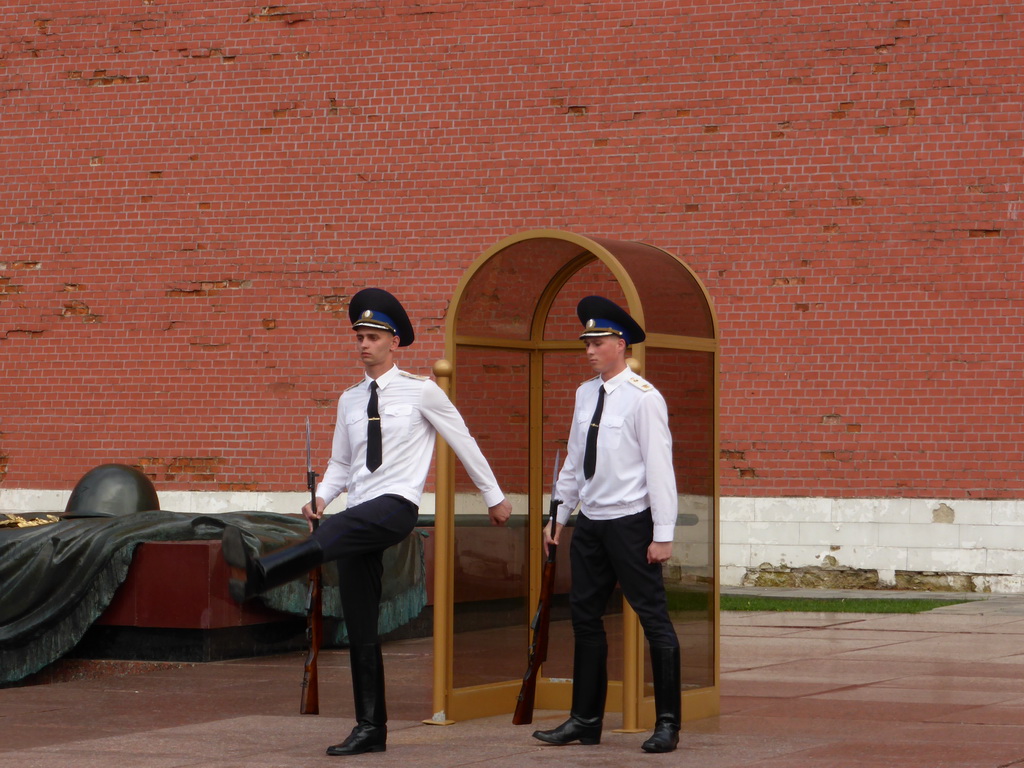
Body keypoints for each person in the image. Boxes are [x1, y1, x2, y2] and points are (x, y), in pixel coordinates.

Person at [223, 287, 512, 757]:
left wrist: (495, 498)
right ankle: (370, 728)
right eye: (359, 335)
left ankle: (261, 572)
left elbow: (464, 441)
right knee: (360, 623)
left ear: (394, 342)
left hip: (395, 506)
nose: (363, 344)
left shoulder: (422, 391)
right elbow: (340, 464)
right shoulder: (349, 400)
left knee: (336, 532)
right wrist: (319, 498)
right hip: (358, 511)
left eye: (373, 336)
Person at [532, 295, 680, 754]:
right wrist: (558, 515)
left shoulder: (644, 398)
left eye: (598, 342)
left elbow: (660, 468)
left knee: (654, 620)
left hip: (631, 523)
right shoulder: (584, 393)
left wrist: (663, 533)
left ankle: (669, 723)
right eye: (587, 343)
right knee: (584, 620)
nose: (590, 350)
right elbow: (575, 462)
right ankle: (585, 719)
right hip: (591, 523)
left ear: (621, 343)